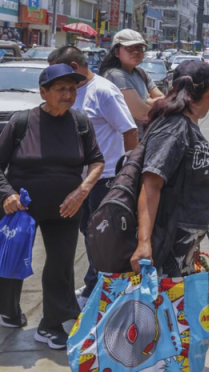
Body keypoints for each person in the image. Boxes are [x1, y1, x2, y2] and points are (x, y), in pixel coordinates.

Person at [0, 64, 104, 349]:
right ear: (43, 91)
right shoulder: (21, 122)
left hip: (66, 209)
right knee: (12, 260)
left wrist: (82, 191)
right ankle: (8, 310)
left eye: (72, 89)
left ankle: (51, 324)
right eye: (60, 89)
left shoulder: (80, 122)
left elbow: (97, 161)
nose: (68, 94)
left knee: (61, 264)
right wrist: (7, 195)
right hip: (20, 209)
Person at [46, 47, 139, 308]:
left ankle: (99, 289)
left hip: (106, 178)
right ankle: (93, 283)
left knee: (102, 237)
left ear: (74, 66)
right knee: (88, 233)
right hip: (80, 179)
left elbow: (129, 131)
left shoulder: (104, 92)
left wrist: (128, 174)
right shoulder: (71, 92)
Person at [130, 61, 209, 278]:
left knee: (178, 307)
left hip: (184, 241)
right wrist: (144, 243)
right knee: (164, 307)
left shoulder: (187, 126)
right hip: (168, 238)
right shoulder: (174, 128)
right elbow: (151, 183)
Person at [99, 29, 165, 129]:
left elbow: (163, 100)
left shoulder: (141, 73)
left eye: (139, 48)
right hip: (127, 141)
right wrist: (148, 100)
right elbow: (142, 114)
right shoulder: (115, 75)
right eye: (129, 48)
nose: (136, 52)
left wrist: (145, 102)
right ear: (117, 52)